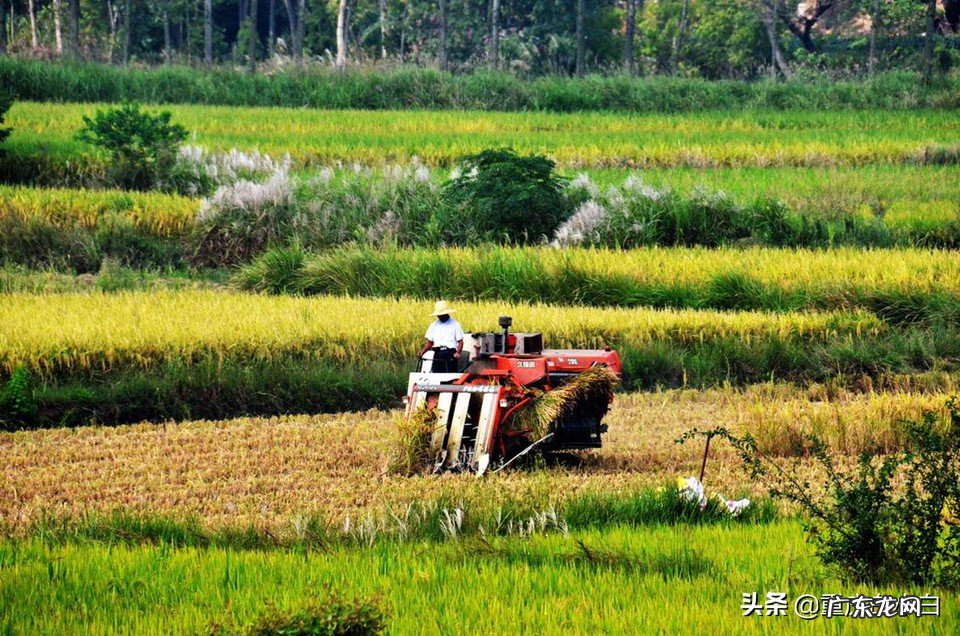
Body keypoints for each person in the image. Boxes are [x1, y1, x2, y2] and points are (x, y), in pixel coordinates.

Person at [417, 300, 465, 372]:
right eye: (439, 315)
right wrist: (422, 352)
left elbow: (460, 342)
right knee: (436, 374)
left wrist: (458, 353)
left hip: (450, 353)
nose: (440, 316)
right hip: (437, 353)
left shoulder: (455, 324)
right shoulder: (433, 325)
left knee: (449, 375)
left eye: (442, 314)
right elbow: (430, 343)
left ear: (447, 313)